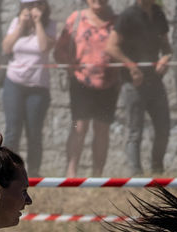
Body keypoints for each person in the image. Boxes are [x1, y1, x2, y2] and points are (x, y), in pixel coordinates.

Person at [106, 0, 171, 175]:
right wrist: (131, 66)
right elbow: (111, 47)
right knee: (135, 130)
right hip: (133, 83)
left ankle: (157, 170)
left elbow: (167, 47)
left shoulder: (158, 13)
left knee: (163, 127)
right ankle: (136, 175)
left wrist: (165, 59)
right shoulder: (127, 16)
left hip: (155, 80)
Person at [59, 0, 119, 177]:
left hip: (109, 83)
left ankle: (98, 175)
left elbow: (127, 48)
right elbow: (59, 50)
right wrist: (68, 63)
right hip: (80, 82)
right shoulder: (76, 19)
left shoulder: (117, 21)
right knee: (79, 127)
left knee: (102, 129)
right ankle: (71, 173)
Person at [1, 0, 55, 176]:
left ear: (43, 6)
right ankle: (8, 171)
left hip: (38, 87)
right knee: (12, 130)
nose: (32, 9)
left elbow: (44, 47)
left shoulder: (50, 25)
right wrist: (21, 25)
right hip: (14, 83)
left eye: (36, 5)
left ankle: (33, 172)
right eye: (29, 5)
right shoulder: (16, 23)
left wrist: (38, 23)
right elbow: (6, 47)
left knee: (34, 132)